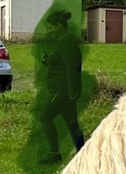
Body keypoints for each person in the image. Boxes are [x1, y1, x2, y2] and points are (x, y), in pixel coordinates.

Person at [36, 9, 85, 164]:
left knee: (45, 117)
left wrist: (72, 92)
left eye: (51, 28)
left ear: (59, 26)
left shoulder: (67, 42)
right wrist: (46, 60)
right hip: (64, 90)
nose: (49, 32)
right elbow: (60, 64)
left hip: (62, 90)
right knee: (72, 123)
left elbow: (72, 68)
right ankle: (83, 153)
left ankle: (54, 153)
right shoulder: (63, 41)